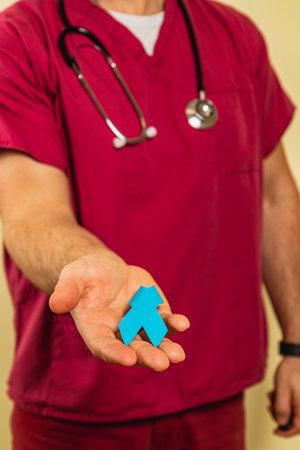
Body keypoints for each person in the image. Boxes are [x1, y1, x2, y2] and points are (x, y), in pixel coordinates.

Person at [0, 0, 299, 448]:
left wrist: (297, 343)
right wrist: (88, 262)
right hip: (81, 409)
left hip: (214, 394)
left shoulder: (234, 35)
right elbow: (30, 211)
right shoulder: (21, 38)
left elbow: (275, 197)